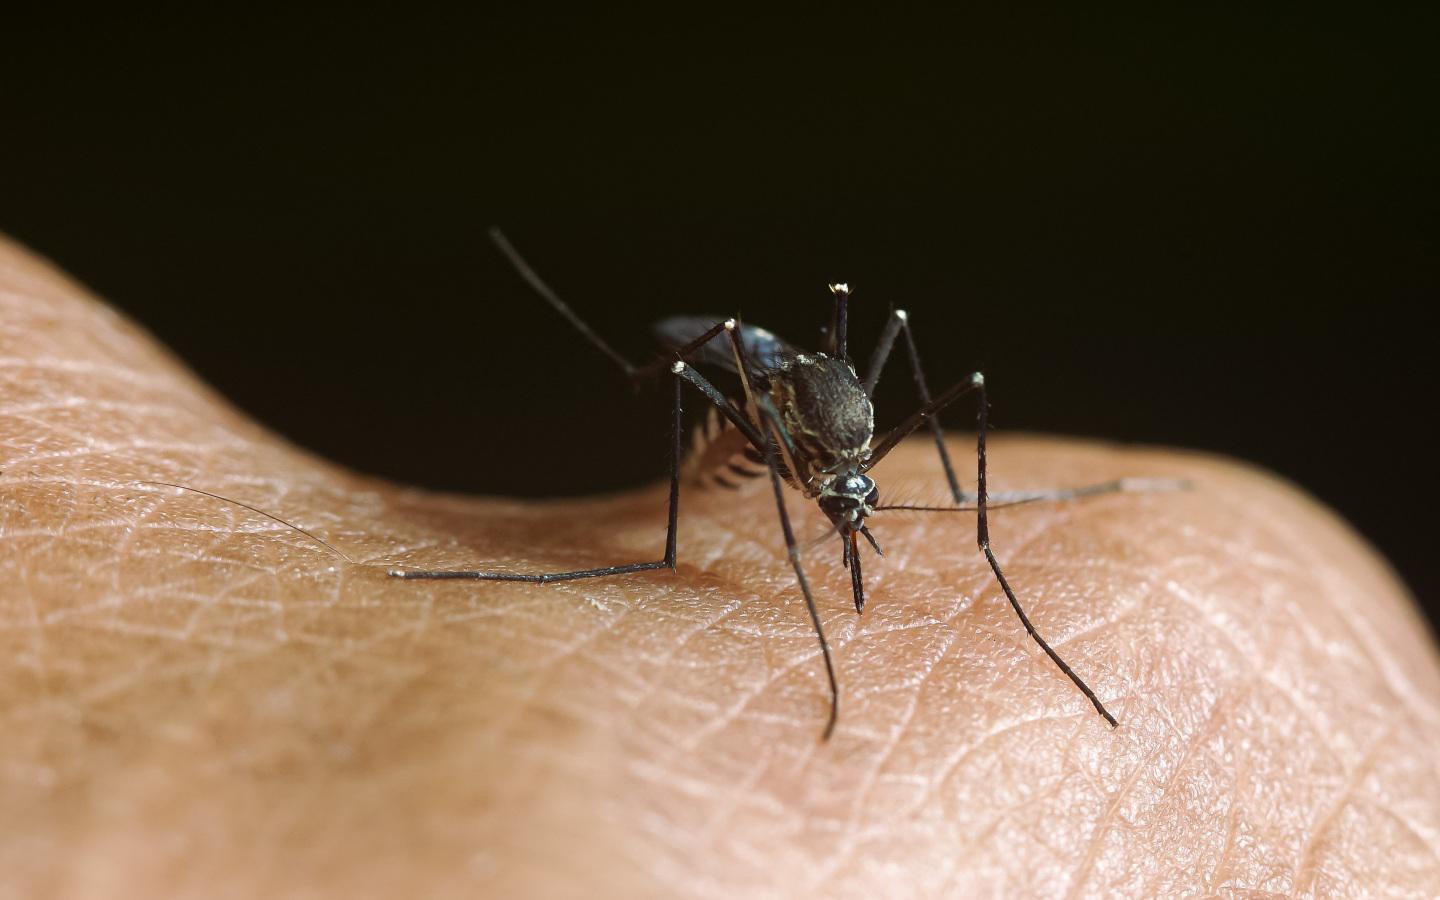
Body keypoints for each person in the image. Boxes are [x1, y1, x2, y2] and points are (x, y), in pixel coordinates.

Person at [2, 235, 1437, 898]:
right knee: (771, 371)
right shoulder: (799, 440)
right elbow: (772, 395)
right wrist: (802, 614)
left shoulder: (873, 443)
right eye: (849, 504)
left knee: (913, 363)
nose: (855, 523)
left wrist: (967, 536)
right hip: (749, 403)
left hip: (816, 415)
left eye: (855, 501)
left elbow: (875, 438)